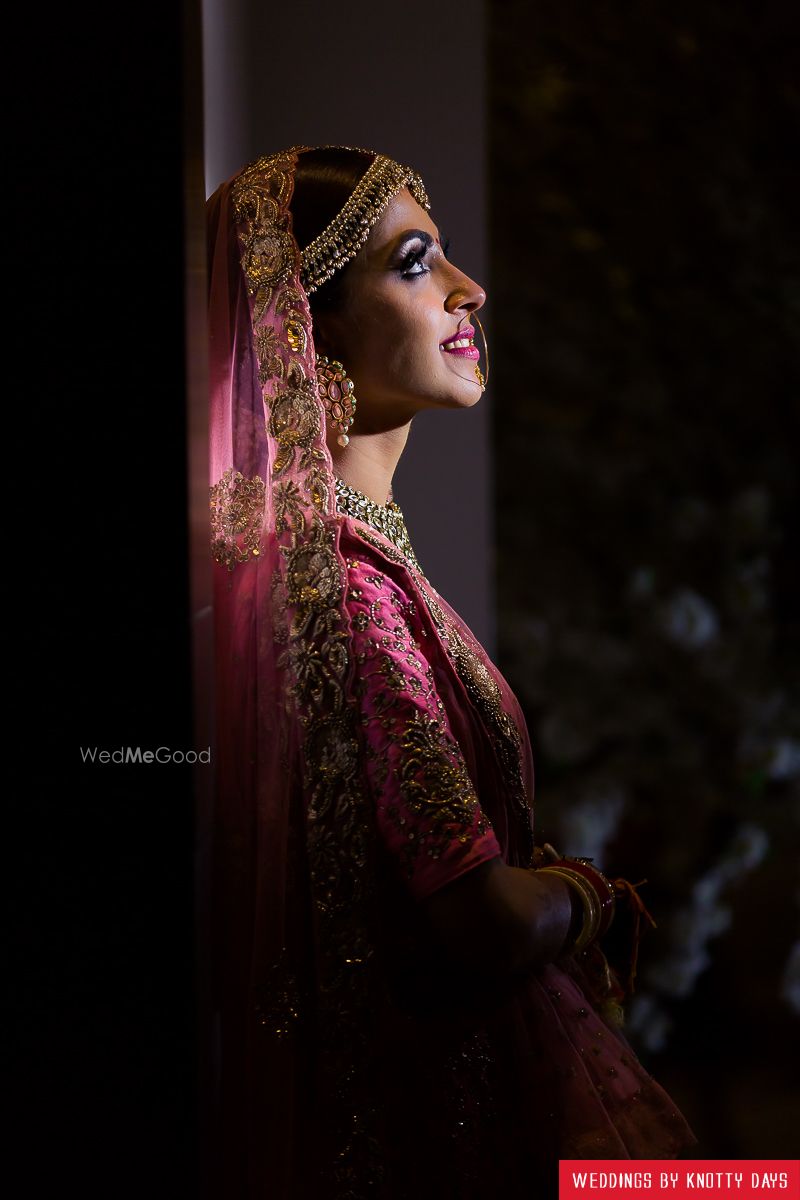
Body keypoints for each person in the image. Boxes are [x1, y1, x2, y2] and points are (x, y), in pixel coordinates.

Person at [204, 145, 696, 1200]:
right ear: (312, 328)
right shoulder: (348, 593)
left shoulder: (342, 563)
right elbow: (483, 923)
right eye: (417, 263)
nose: (471, 290)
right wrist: (587, 896)